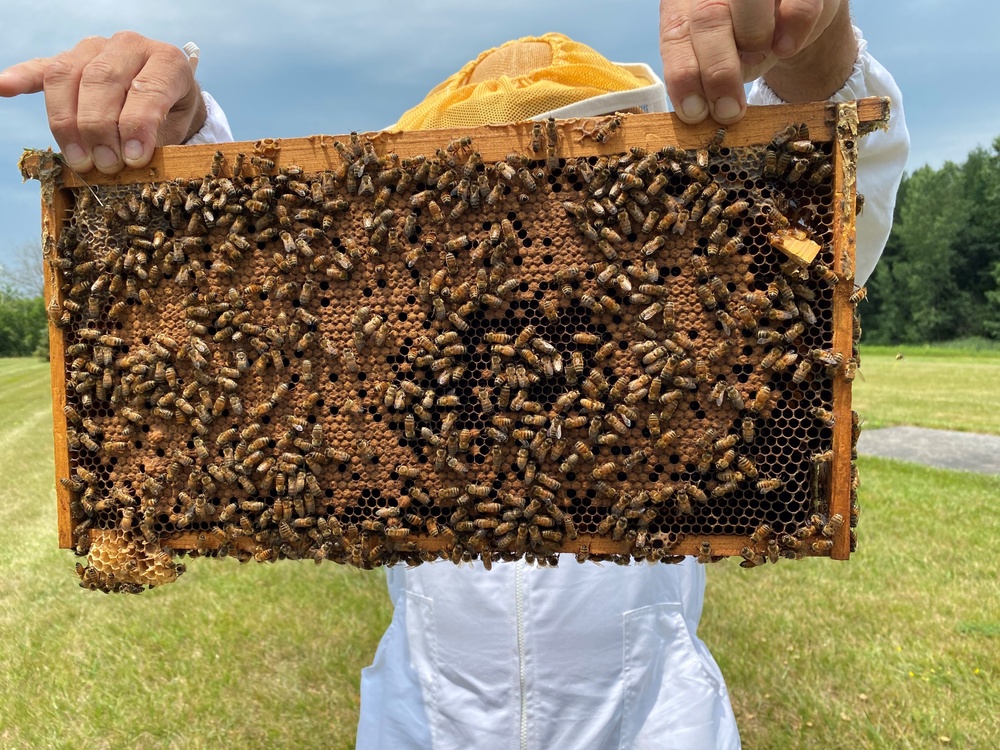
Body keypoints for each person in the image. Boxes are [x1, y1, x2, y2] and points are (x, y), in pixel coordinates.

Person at [0, 2, 908, 747]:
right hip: (418, 724)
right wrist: (170, 135)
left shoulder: (712, 289)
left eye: (564, 194)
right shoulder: (363, 322)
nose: (518, 249)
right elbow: (238, 305)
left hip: (655, 724)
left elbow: (831, 203)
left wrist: (817, 48)